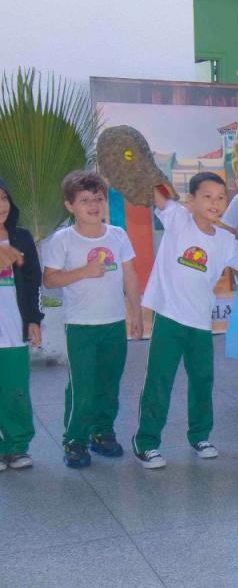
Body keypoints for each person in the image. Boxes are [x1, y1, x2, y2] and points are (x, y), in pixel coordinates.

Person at [131, 173, 238, 468]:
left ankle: (200, 436)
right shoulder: (178, 220)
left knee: (202, 381)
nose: (215, 202)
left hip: (200, 323)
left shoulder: (225, 240)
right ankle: (146, 442)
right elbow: (157, 192)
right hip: (170, 318)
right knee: (160, 381)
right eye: (207, 196)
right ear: (191, 200)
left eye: (221, 197)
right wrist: (139, 161)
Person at [42, 171, 142, 468]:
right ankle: (75, 439)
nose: (93, 205)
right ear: (70, 205)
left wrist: (135, 312)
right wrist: (83, 272)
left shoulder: (118, 235)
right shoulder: (63, 240)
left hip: (112, 324)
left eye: (98, 198)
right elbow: (50, 280)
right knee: (83, 388)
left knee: (109, 385)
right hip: (81, 326)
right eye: (85, 200)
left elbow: (130, 275)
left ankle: (102, 433)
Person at [0, 178, 42, 471]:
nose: (1, 205)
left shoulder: (22, 237)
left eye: (3, 197)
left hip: (13, 329)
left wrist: (34, 320)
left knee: (15, 389)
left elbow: (33, 281)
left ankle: (16, 446)